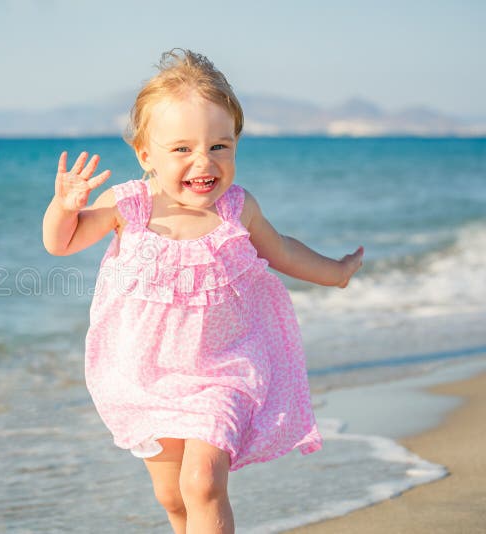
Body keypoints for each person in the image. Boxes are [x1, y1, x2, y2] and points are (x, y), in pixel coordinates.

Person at [41, 48, 364, 534]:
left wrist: (335, 272)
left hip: (225, 367)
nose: (203, 162)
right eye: (182, 149)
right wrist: (64, 208)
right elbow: (61, 243)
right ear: (145, 154)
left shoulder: (237, 209)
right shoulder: (128, 205)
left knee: (203, 484)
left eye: (220, 146)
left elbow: (282, 252)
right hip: (145, 373)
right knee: (172, 497)